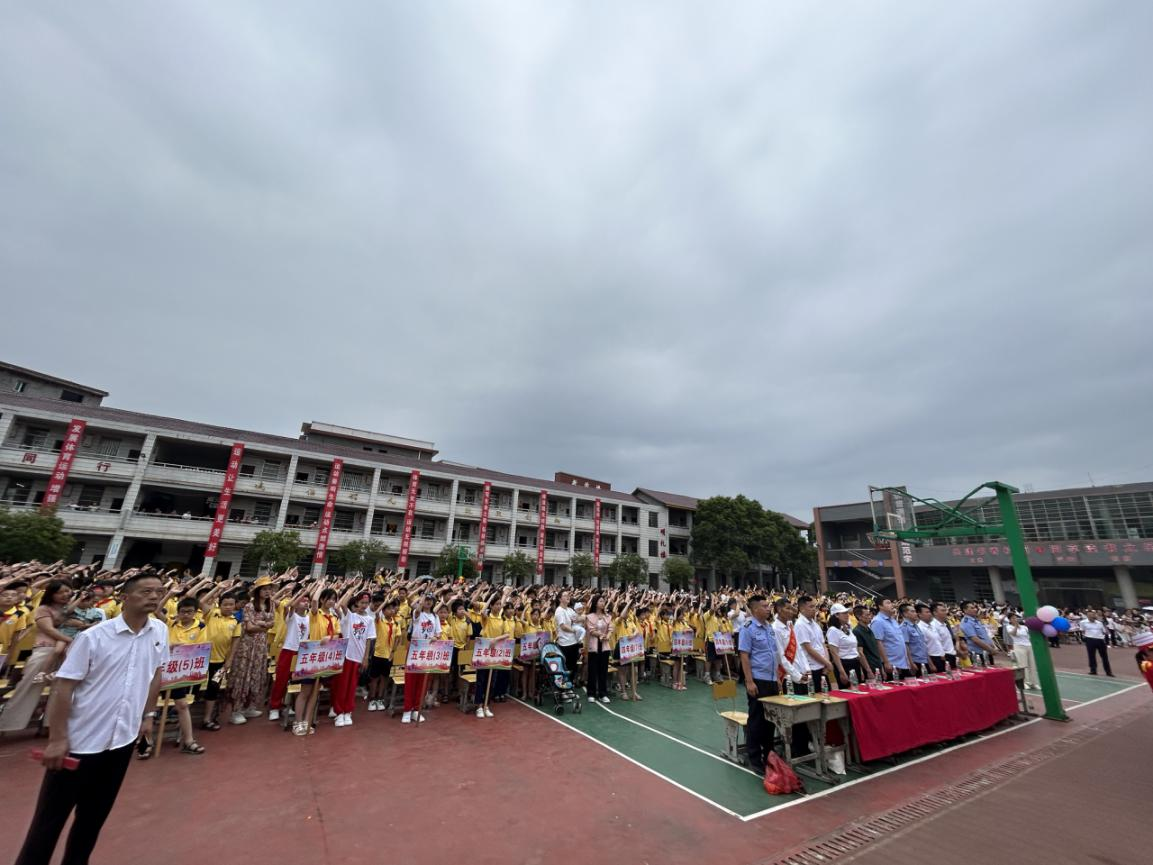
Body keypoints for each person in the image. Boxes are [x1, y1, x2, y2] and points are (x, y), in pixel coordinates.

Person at [14, 572, 168, 865]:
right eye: (146, 591)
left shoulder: (160, 631)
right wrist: (58, 739)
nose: (153, 596)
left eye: (158, 592)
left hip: (120, 741)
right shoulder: (94, 636)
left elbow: (155, 674)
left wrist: (148, 714)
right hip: (80, 743)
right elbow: (63, 686)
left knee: (92, 820)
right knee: (48, 823)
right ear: (125, 597)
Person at [0, 580, 74, 734]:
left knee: (60, 690)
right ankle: (8, 724)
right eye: (60, 592)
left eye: (67, 591)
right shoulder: (43, 609)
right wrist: (72, 641)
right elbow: (49, 630)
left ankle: (49, 725)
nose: (65, 595)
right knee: (28, 687)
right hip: (45, 650)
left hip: (67, 653)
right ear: (51, 594)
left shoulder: (71, 609)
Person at [737, 594, 780, 776]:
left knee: (770, 720)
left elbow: (773, 653)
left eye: (768, 605)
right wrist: (749, 681)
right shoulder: (748, 628)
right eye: (764, 606)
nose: (769, 608)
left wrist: (777, 676)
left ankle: (769, 755)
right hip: (758, 679)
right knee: (756, 720)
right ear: (755, 610)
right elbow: (744, 655)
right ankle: (755, 758)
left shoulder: (769, 627)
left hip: (771, 679)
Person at [230, 577, 276, 723]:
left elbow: (272, 623)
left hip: (261, 645)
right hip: (248, 645)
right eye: (264, 589)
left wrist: (261, 624)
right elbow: (249, 627)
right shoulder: (249, 606)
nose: (267, 592)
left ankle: (250, 706)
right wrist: (264, 625)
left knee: (257, 674)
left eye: (269, 589)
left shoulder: (271, 605)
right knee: (243, 675)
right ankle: (236, 709)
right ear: (257, 591)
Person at [825, 603, 871, 687]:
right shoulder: (833, 630)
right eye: (844, 613)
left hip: (855, 663)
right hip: (844, 664)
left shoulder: (848, 628)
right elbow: (834, 653)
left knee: (859, 689)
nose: (847, 615)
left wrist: (860, 669)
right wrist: (842, 672)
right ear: (836, 615)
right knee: (849, 691)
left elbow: (854, 650)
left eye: (847, 613)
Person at [870, 599, 908, 680]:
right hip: (891, 663)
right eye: (888, 603)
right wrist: (886, 662)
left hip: (902, 662)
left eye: (891, 602)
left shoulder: (893, 620)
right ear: (880, 606)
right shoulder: (877, 621)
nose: (892, 604)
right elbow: (878, 642)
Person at [584, 594, 612, 703]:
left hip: (604, 646)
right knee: (593, 670)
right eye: (600, 601)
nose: (603, 603)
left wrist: (607, 636)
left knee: (603, 670)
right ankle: (591, 693)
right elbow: (591, 630)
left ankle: (602, 693)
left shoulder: (607, 616)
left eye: (603, 601)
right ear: (595, 603)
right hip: (594, 646)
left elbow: (610, 628)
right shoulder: (590, 616)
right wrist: (600, 635)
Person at [1006, 612, 1039, 690]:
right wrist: (1016, 626)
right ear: (1010, 620)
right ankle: (1025, 682)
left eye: (1015, 618)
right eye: (1013, 618)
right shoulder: (1009, 627)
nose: (1015, 619)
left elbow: (1029, 636)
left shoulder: (1024, 627)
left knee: (1032, 664)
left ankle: (1034, 683)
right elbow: (1013, 634)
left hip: (1029, 646)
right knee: (1023, 665)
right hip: (1019, 647)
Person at [553, 589, 582, 678]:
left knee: (573, 665)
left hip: (574, 642)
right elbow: (563, 626)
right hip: (565, 643)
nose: (568, 597)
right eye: (565, 596)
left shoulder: (570, 610)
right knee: (565, 666)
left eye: (568, 595)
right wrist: (574, 630)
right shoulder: (559, 610)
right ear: (560, 599)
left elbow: (576, 620)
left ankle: (570, 685)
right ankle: (564, 687)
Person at [959, 600, 996, 666]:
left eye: (975, 607)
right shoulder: (966, 622)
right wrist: (990, 649)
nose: (975, 609)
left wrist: (992, 645)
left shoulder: (976, 620)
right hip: (978, 654)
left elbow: (984, 635)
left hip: (987, 651)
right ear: (965, 610)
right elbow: (975, 639)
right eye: (972, 608)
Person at [852, 605, 885, 675]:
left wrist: (881, 668)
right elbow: (860, 653)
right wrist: (868, 670)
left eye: (870, 614)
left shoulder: (869, 629)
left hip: (877, 665)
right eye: (867, 615)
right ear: (859, 617)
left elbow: (876, 650)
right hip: (870, 667)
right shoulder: (857, 631)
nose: (870, 617)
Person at [1081, 609, 1114, 677]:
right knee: (1091, 656)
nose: (1091, 616)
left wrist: (1105, 636)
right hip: (1090, 640)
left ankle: (1108, 671)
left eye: (1093, 615)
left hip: (1100, 640)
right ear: (1087, 616)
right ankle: (1093, 670)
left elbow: (1104, 631)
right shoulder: (1083, 622)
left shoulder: (1099, 623)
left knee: (1104, 657)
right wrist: (1086, 638)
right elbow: (1082, 631)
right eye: (1089, 615)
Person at [899, 603, 929, 677]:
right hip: (915, 661)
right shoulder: (904, 627)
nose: (916, 613)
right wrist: (911, 663)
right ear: (905, 614)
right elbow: (906, 646)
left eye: (915, 611)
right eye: (912, 611)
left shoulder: (916, 626)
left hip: (924, 660)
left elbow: (923, 644)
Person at [930, 602, 959, 670]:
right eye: (942, 610)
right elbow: (936, 642)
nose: (946, 612)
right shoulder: (933, 625)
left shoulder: (944, 623)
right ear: (935, 613)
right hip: (944, 656)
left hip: (951, 654)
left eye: (945, 610)